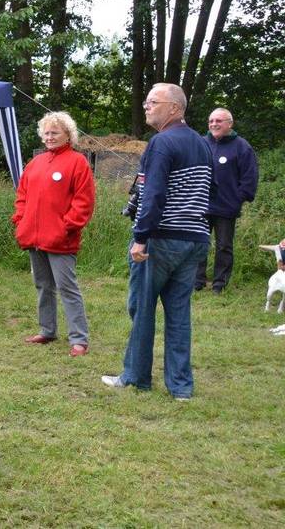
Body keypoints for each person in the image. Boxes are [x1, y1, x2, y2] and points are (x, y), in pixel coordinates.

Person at [103, 83, 213, 401]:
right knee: (179, 313)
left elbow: (153, 194)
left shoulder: (161, 142)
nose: (146, 105)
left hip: (161, 240)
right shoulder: (203, 143)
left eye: (154, 101)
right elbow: (210, 193)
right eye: (147, 100)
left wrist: (140, 238)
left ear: (174, 108)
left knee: (142, 307)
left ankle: (136, 377)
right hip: (195, 239)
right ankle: (181, 387)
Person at [12, 112, 96, 357]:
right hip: (33, 237)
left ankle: (79, 339)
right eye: (46, 133)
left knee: (67, 287)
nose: (49, 137)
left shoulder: (77, 162)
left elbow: (84, 202)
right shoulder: (35, 163)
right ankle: (47, 330)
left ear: (67, 135)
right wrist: (21, 220)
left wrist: (66, 226)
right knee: (43, 285)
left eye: (55, 133)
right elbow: (22, 196)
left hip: (61, 239)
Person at [194, 107, 258, 294]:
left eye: (218, 121)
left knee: (224, 246)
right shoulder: (201, 143)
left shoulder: (242, 146)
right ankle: (197, 281)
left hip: (226, 207)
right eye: (211, 121)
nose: (214, 124)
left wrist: (238, 199)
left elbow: (249, 177)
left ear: (230, 124)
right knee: (199, 243)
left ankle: (219, 284)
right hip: (201, 205)